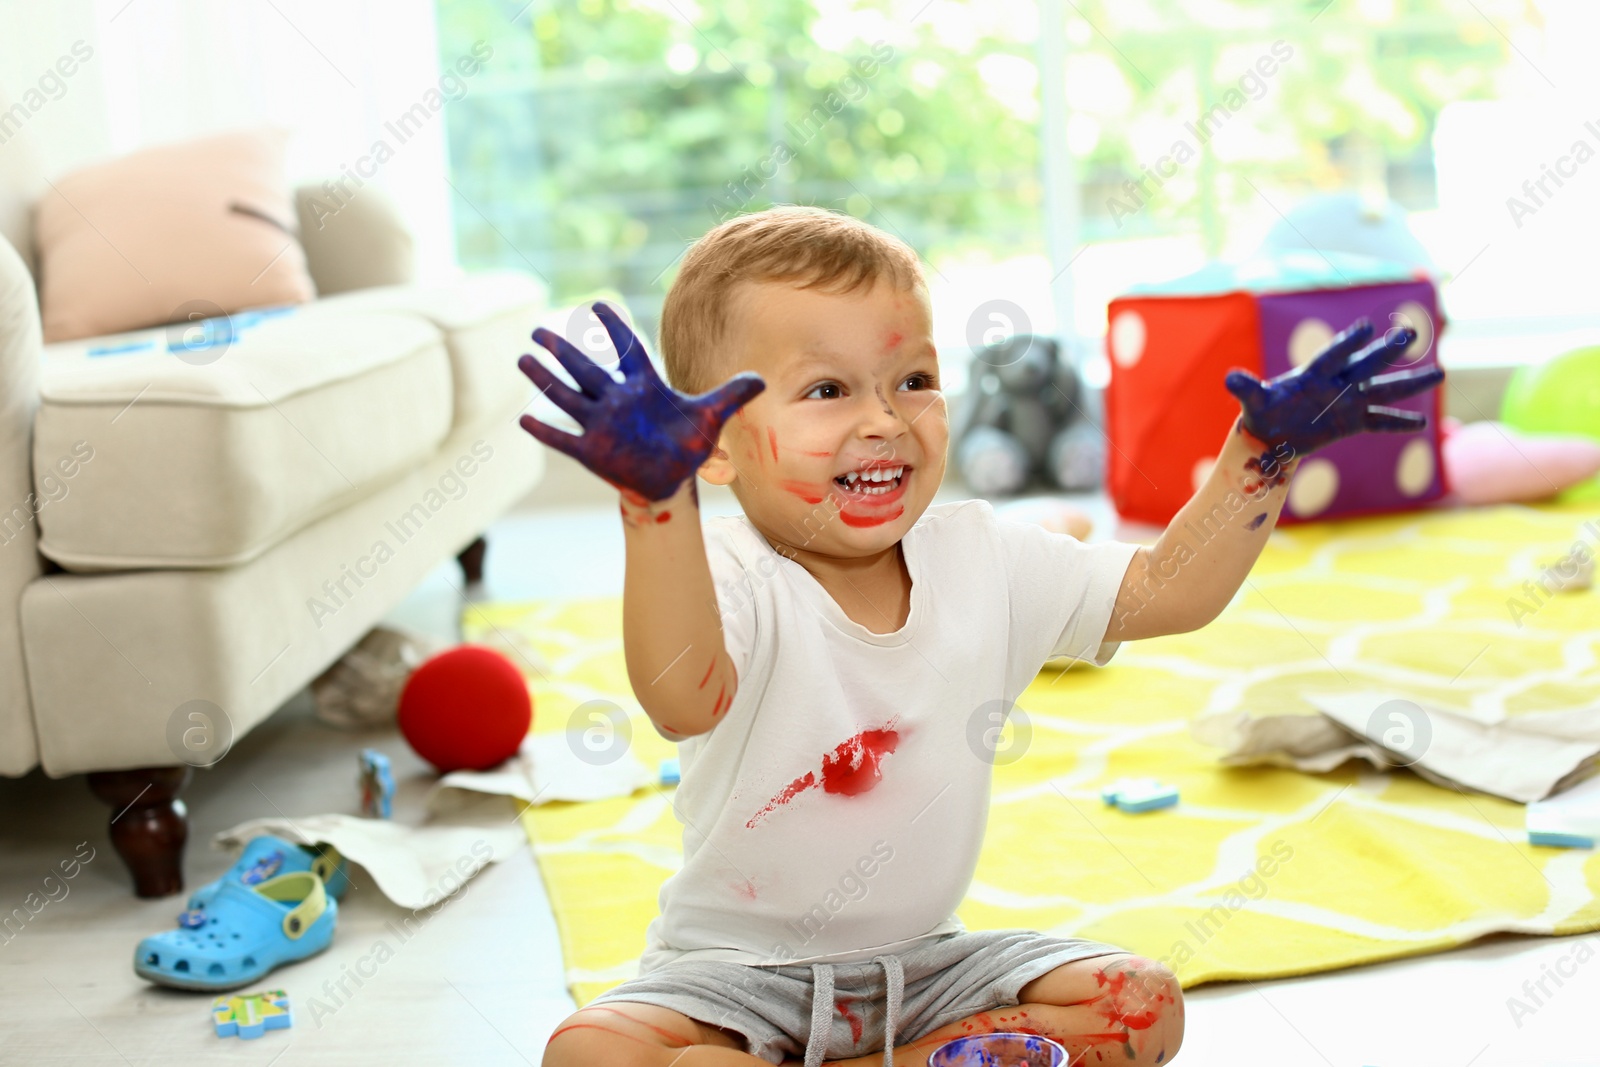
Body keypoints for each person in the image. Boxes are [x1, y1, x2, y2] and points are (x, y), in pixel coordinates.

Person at [522, 206, 1442, 1067]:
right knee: (590, 1051)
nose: (884, 419)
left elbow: (1170, 590)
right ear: (711, 444)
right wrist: (656, 506)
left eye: (913, 380)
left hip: (932, 970)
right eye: (828, 389)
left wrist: (1262, 452)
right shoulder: (729, 570)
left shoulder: (984, 556)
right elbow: (683, 696)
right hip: (734, 977)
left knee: (1140, 1001)